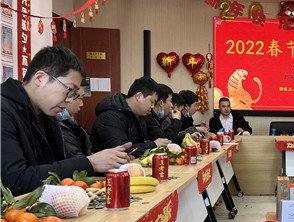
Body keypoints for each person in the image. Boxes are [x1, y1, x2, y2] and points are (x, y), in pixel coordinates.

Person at [1, 46, 131, 196]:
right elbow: (14, 182)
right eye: (69, 90)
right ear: (40, 78)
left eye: (74, 94)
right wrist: (90, 163)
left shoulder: (47, 115)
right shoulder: (4, 111)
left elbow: (55, 168)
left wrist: (106, 162)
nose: (69, 100)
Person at [91, 76, 170, 157]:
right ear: (138, 96)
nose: (152, 106)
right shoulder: (110, 117)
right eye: (152, 102)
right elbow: (123, 152)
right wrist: (153, 144)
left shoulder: (139, 115)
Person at [58, 86, 92, 157]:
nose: (81, 104)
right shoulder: (60, 126)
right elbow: (76, 158)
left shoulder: (69, 122)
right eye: (80, 98)